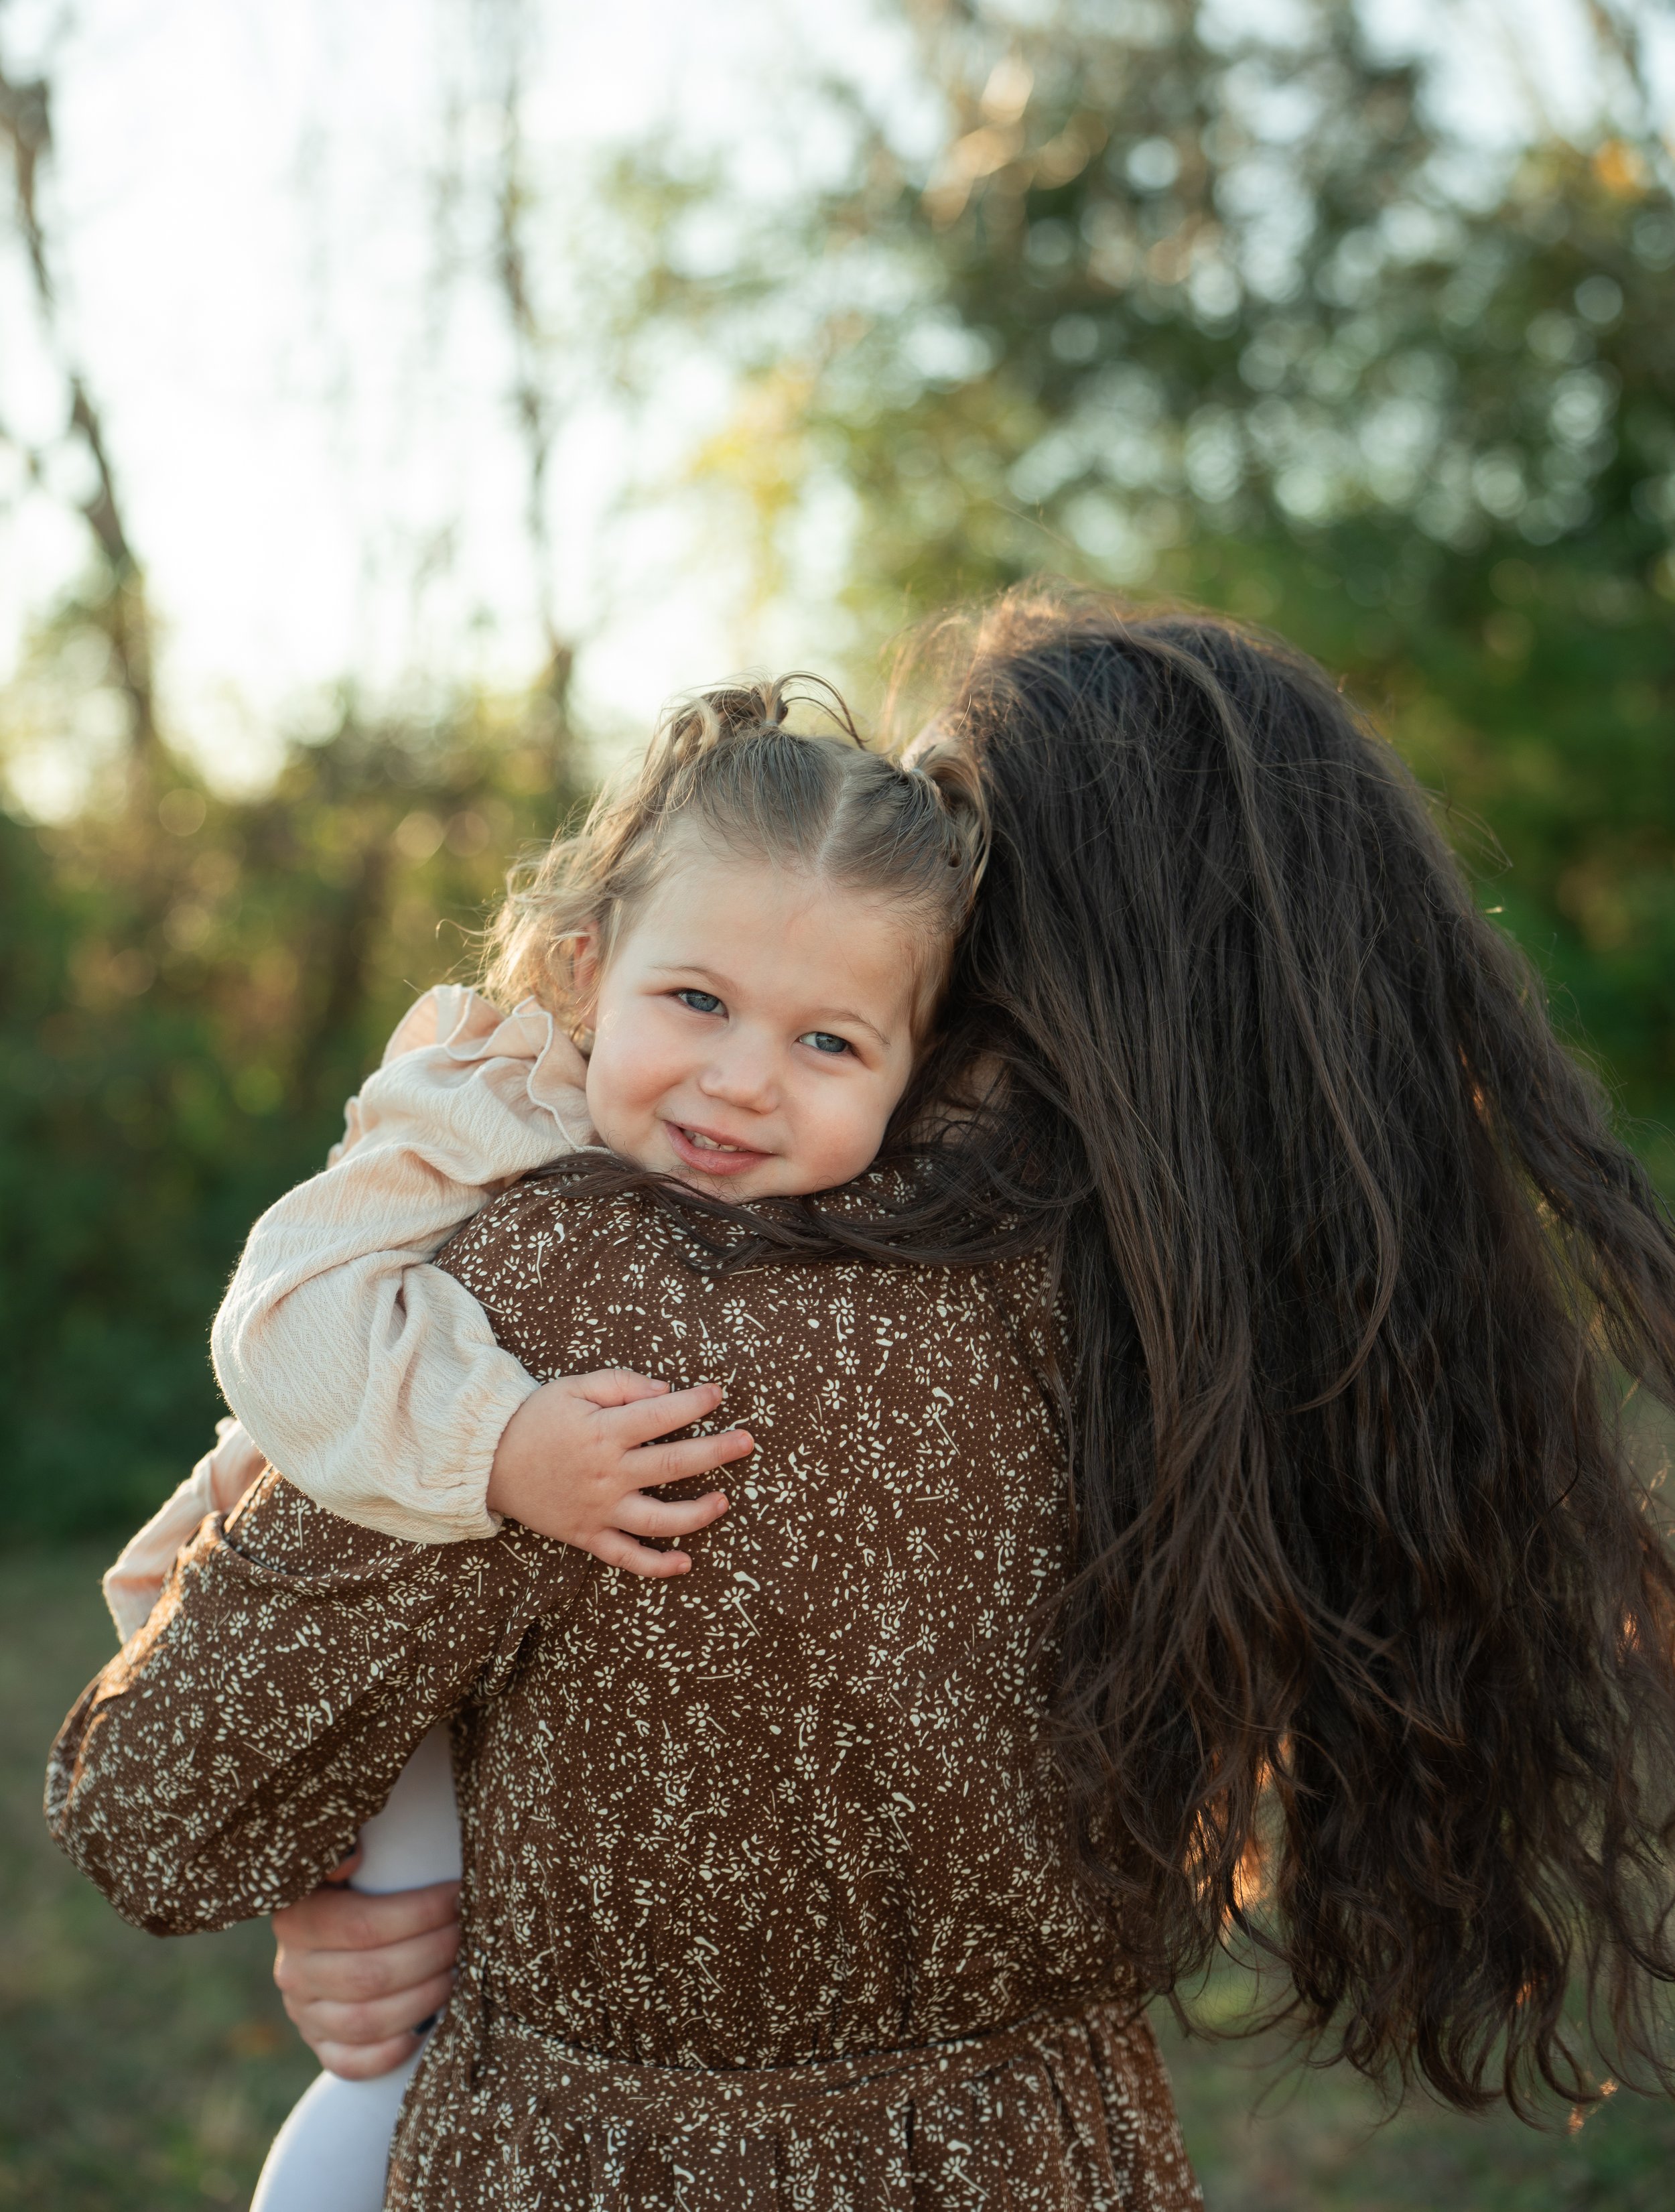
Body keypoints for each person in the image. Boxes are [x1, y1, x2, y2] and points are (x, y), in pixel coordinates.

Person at [50, 592, 1675, 2209]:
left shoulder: (592, 1296)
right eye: (700, 1001)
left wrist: (349, 1889)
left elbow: (159, 1812)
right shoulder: (1234, 1350)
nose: (748, 1072)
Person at [94, 674, 990, 2212]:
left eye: (827, 1042)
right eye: (694, 1002)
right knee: (394, 2010)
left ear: (915, 1071)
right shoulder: (492, 1110)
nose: (738, 1078)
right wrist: (501, 1444)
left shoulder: (879, 1246)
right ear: (588, 972)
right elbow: (281, 1319)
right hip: (329, 1562)